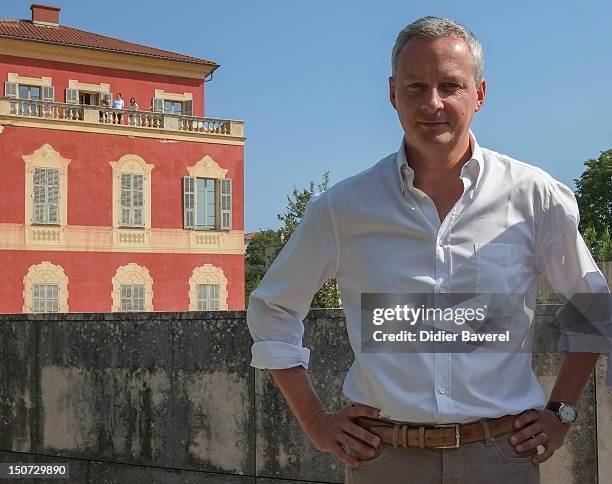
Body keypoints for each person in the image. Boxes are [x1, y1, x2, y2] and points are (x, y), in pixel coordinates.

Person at [246, 16, 611, 484]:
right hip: (385, 460)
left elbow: (592, 304)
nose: (432, 102)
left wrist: (561, 411)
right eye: (416, 86)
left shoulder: (534, 196)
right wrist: (315, 421)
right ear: (392, 92)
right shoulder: (343, 208)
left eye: (450, 85)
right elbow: (273, 308)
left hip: (501, 457)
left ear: (479, 93)